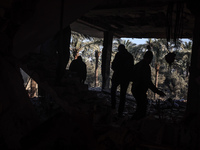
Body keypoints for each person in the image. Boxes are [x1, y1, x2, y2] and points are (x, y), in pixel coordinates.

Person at [131, 50, 166, 120]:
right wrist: (158, 92)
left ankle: (135, 122)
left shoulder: (138, 64)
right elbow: (148, 82)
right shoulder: (145, 67)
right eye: (150, 59)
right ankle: (135, 122)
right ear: (148, 58)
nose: (150, 60)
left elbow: (131, 75)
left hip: (135, 88)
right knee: (142, 108)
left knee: (140, 107)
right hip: (139, 90)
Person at [111, 44, 134, 117]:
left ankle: (113, 107)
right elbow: (131, 68)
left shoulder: (118, 55)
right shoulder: (130, 56)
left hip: (117, 76)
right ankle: (120, 111)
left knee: (113, 90)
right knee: (122, 94)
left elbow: (113, 65)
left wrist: (116, 70)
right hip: (125, 78)